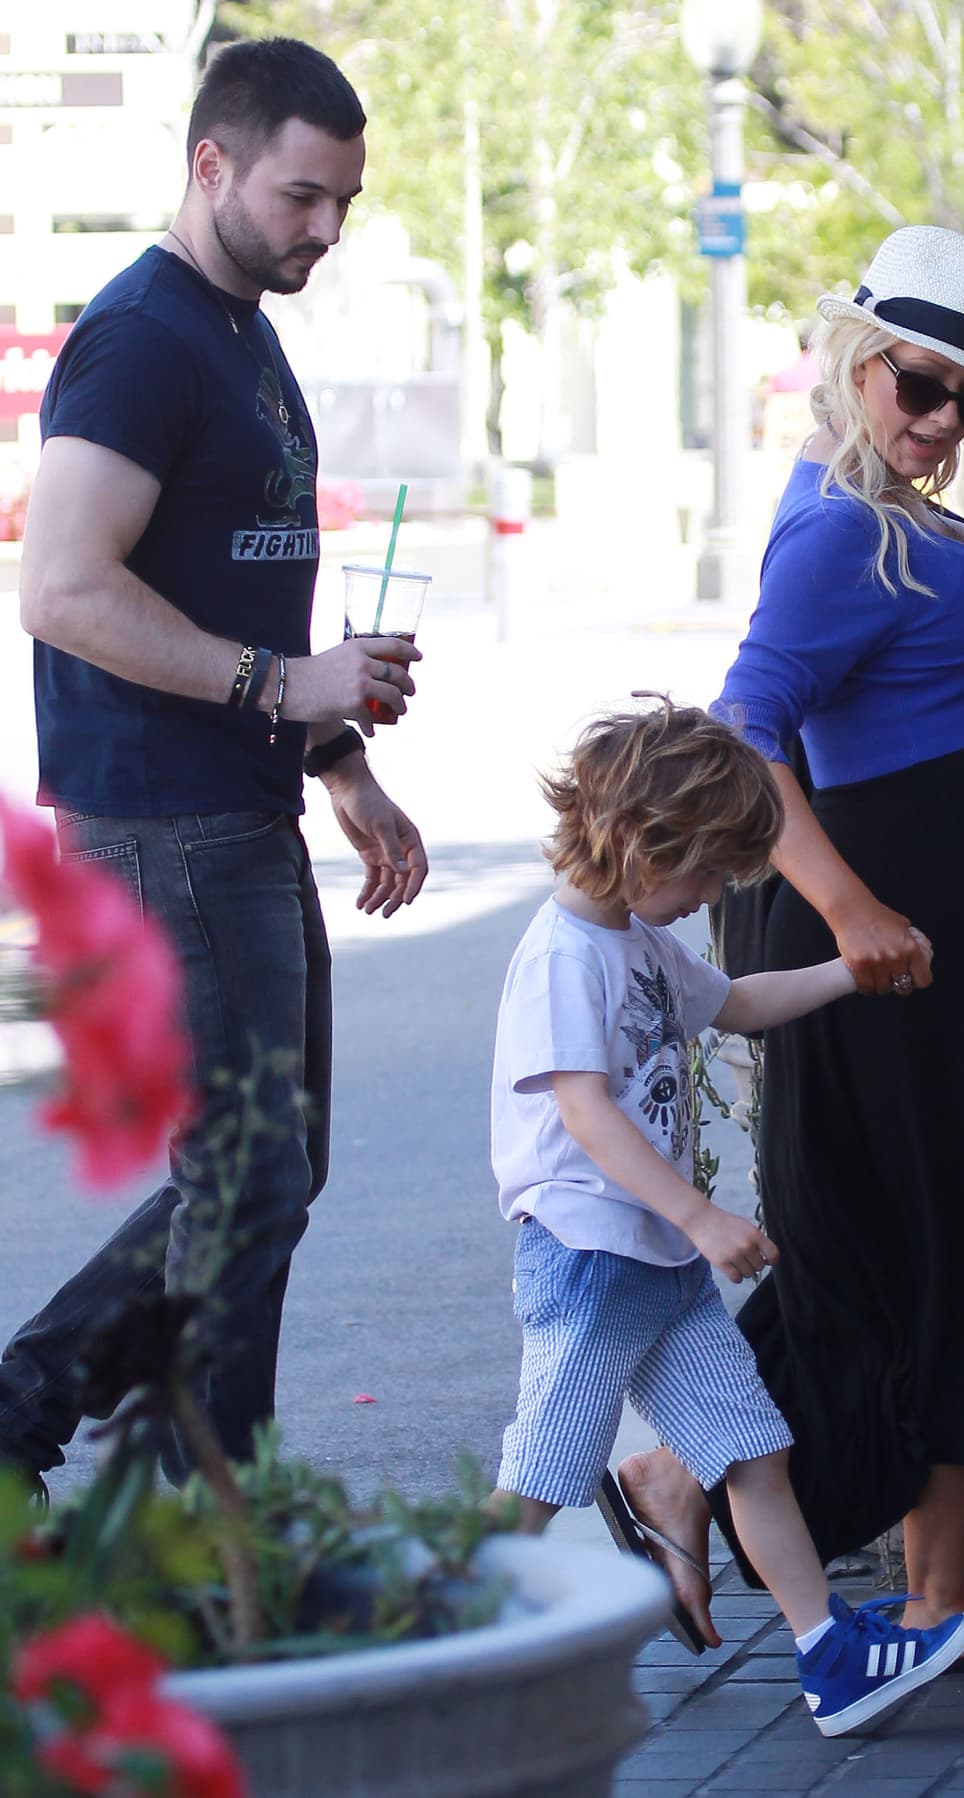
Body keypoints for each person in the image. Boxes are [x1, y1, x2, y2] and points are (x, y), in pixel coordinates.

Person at [614, 227, 964, 1670]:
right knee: (944, 1249)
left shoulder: (885, 506)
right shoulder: (839, 524)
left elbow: (898, 696)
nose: (946, 420)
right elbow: (748, 733)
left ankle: (925, 1579)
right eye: (924, 384)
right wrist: (846, 911)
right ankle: (785, 1515)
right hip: (904, 953)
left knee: (956, 1249)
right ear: (854, 359)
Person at [0, 38, 427, 1486]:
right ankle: (198, 1550)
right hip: (157, 823)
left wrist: (338, 750)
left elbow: (243, 590)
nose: (325, 230)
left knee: (262, 1173)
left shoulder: (242, 329)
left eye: (342, 203)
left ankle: (26, 1402)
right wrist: (277, 683)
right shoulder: (140, 337)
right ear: (212, 165)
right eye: (303, 196)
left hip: (232, 810)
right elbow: (60, 586)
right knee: (243, 1183)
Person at [488, 698, 964, 1734]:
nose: (712, 895)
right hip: (590, 1257)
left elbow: (738, 1002)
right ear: (635, 843)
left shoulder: (634, 937)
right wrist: (701, 1215)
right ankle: (439, 1652)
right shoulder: (562, 956)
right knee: (542, 1471)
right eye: (705, 873)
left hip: (656, 1262)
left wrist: (853, 969)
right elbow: (584, 1116)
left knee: (751, 1450)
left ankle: (827, 1657)